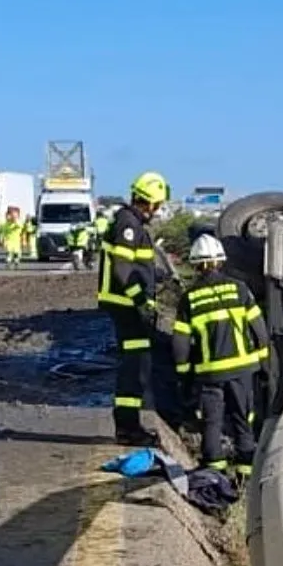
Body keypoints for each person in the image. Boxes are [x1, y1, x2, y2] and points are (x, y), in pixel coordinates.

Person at [172, 234, 269, 479]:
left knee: (212, 423)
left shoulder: (190, 299)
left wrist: (183, 375)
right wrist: (263, 364)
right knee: (242, 419)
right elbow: (260, 330)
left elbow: (180, 343)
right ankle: (246, 476)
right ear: (221, 261)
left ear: (195, 265)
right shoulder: (240, 289)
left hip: (209, 373)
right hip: (242, 370)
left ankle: (214, 477)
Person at [97, 172, 171, 446]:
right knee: (135, 368)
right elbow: (122, 268)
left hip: (127, 305)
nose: (158, 210)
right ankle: (128, 428)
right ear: (149, 203)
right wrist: (140, 300)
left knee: (137, 365)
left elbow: (136, 267)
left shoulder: (130, 222)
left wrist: (155, 278)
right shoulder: (128, 224)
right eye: (158, 205)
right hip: (126, 306)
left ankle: (130, 425)